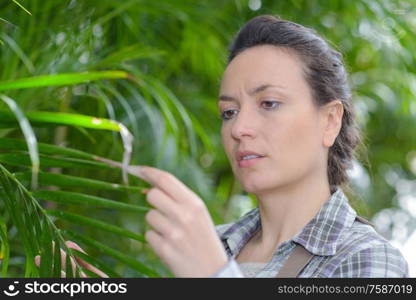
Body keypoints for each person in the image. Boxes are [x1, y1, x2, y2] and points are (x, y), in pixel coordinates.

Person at [37, 15, 409, 278]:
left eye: (269, 104)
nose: (239, 128)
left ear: (329, 121)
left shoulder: (367, 260)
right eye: (229, 112)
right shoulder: (214, 242)